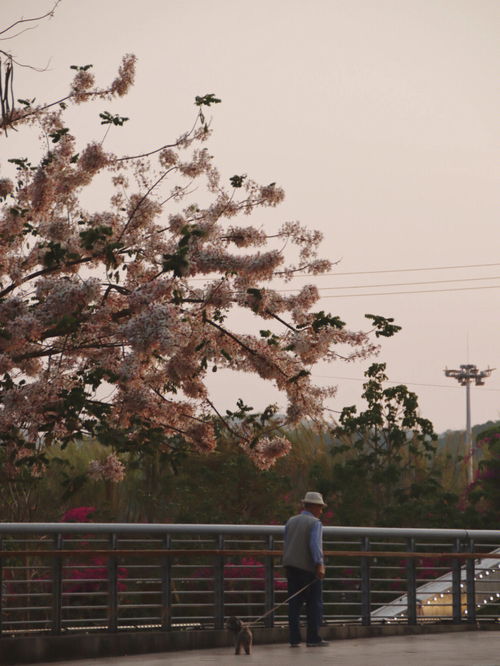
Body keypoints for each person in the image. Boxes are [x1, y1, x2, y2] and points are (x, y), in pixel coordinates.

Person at [282, 491, 329, 648]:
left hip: (291, 566)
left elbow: (287, 542)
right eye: (320, 508)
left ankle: (294, 638)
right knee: (314, 604)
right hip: (307, 569)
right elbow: (315, 545)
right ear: (314, 507)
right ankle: (313, 638)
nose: (321, 511)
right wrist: (320, 564)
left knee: (294, 604)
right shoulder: (314, 523)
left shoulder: (291, 521)